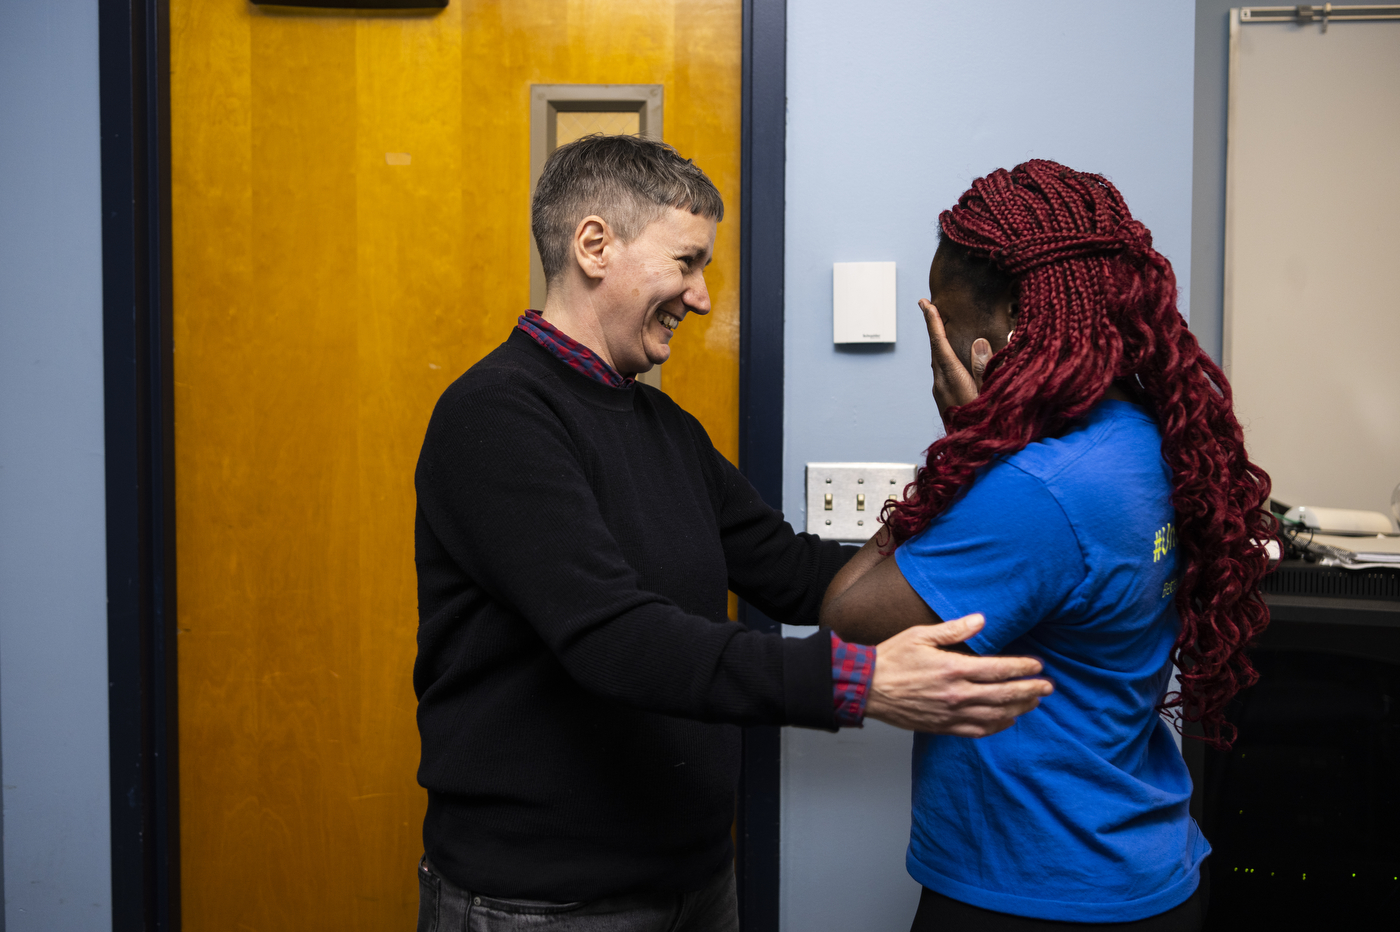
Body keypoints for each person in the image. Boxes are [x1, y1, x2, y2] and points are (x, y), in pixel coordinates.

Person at [412, 135, 1054, 931]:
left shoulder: (662, 425)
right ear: (593, 245)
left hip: (696, 881)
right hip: (540, 903)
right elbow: (616, 638)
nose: (703, 295)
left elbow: (797, 573)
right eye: (687, 262)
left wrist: (967, 454)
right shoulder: (495, 417)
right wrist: (856, 682)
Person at [822, 161, 1274, 931]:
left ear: (1001, 335)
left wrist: (964, 449)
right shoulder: (1146, 434)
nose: (942, 348)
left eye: (947, 323)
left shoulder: (1035, 491)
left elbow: (848, 612)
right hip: (1145, 864)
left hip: (1035, 891)